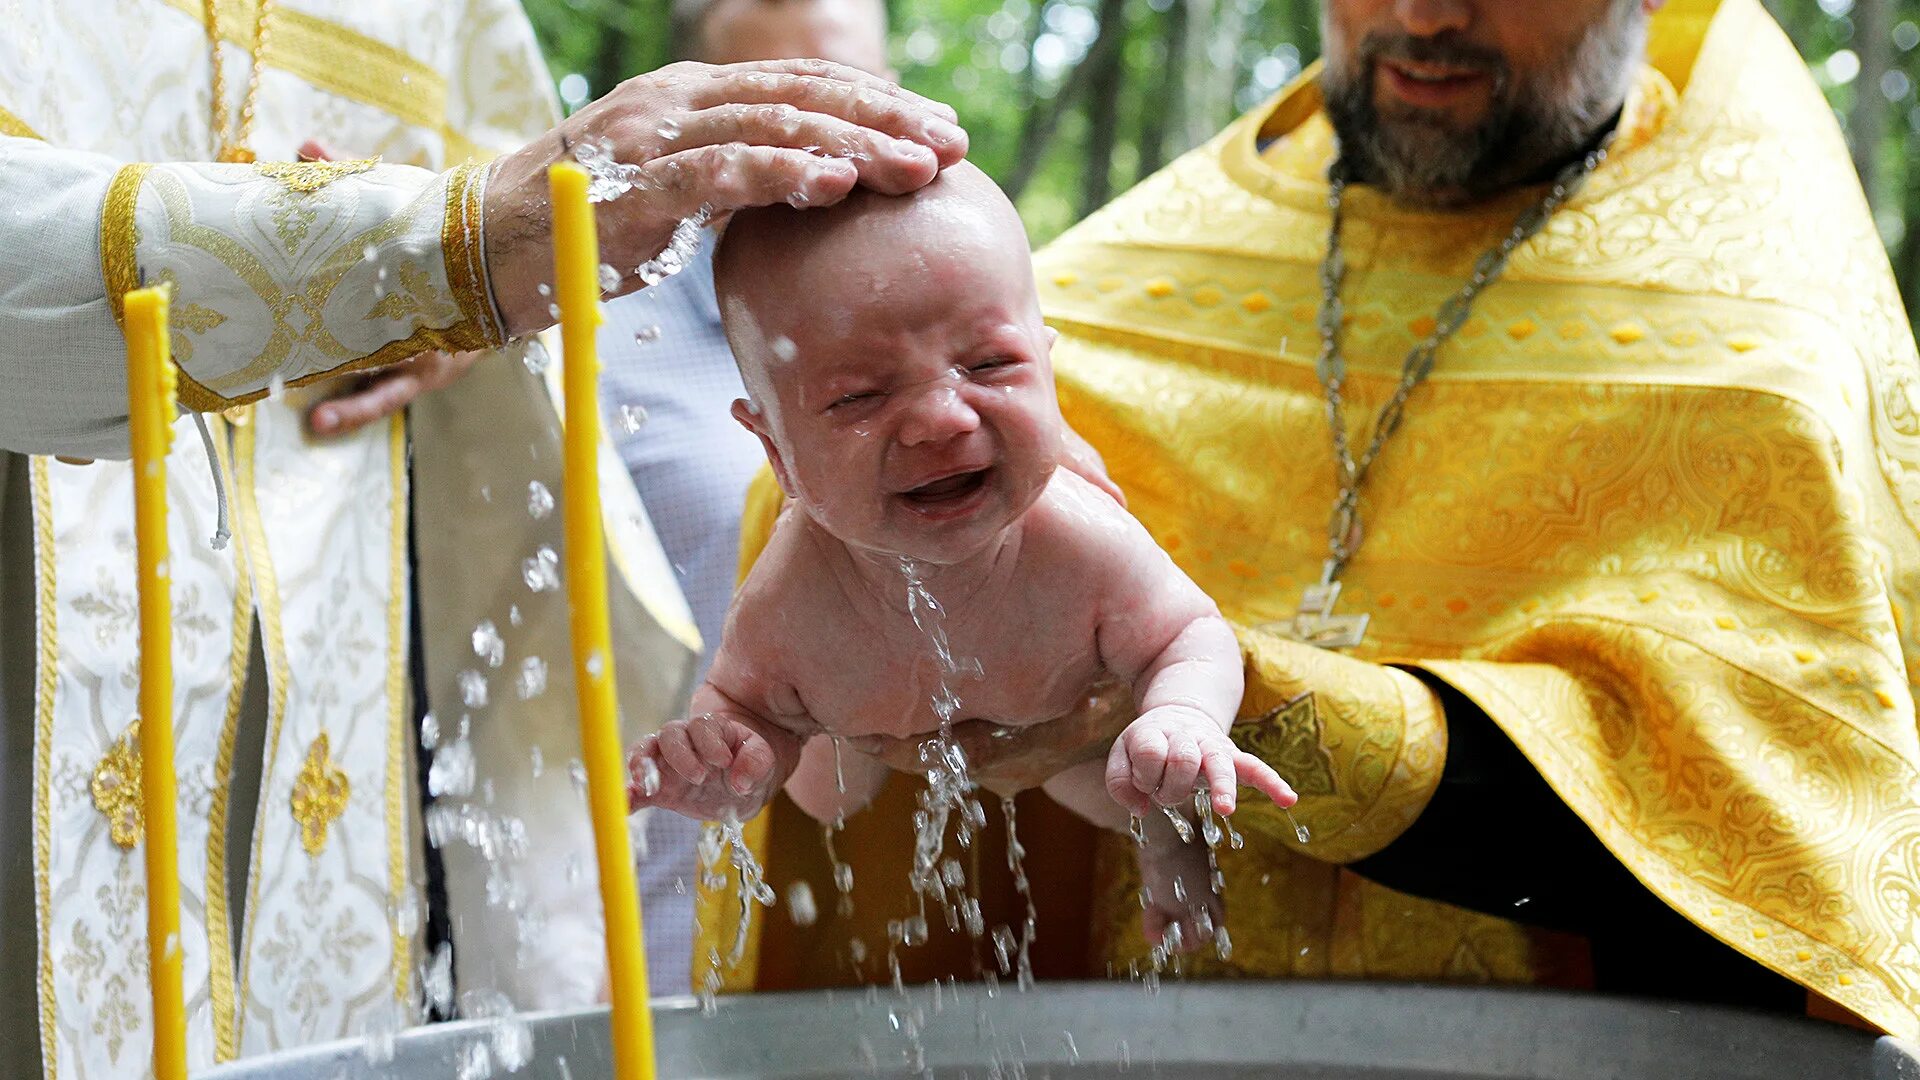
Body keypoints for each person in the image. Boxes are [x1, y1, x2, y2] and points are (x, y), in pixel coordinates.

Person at [705, 0, 1920, 1040]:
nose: (1428, 14)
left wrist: (1222, 700)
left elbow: (1758, 812)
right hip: (1143, 1038)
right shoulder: (1089, 288)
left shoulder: (1770, 357)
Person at [0, 2, 965, 1076]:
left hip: (349, 697)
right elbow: (472, 226)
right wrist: (441, 244)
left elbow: (503, 248)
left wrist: (456, 304)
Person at [627, 163, 1298, 947]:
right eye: (858, 398)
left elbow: (1190, 635)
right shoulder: (787, 595)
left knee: (1135, 782)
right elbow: (744, 704)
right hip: (866, 717)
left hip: (1064, 715)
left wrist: (1182, 713)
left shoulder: (1080, 537)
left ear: (1048, 367)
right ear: (775, 449)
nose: (941, 420)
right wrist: (726, 751)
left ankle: (1172, 865)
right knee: (823, 789)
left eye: (988, 366)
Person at [596, 0, 899, 997]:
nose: (825, 146)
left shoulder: (966, 342)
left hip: (885, 939)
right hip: (650, 940)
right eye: (775, 107)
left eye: (858, 97)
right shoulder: (587, 327)